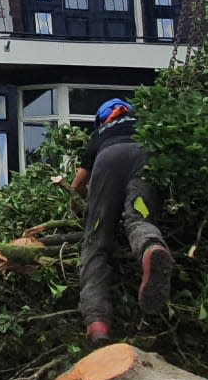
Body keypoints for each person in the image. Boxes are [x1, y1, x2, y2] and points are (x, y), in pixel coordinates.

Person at [70, 98, 173, 345]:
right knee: (138, 217)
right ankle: (152, 247)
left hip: (109, 159)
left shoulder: (101, 134)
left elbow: (78, 185)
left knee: (96, 243)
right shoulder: (142, 127)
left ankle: (97, 324)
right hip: (145, 157)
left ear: (102, 119)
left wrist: (79, 208)